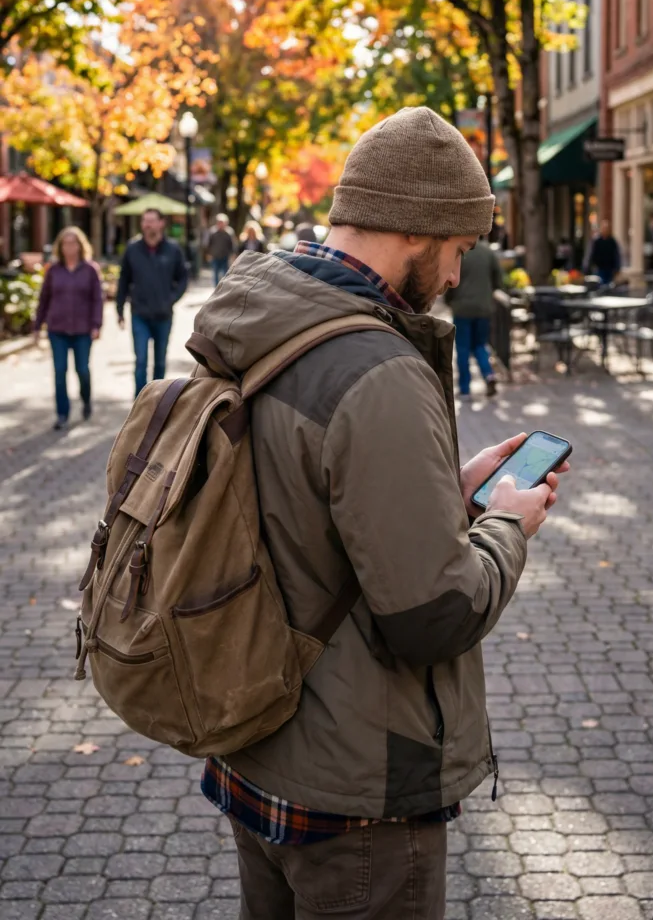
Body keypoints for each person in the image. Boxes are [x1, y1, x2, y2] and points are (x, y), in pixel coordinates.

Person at [195, 106, 568, 919]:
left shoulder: (265, 318)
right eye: (460, 250)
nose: (458, 278)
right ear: (418, 230)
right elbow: (432, 615)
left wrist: (449, 484)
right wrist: (508, 525)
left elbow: (310, 507)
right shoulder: (378, 368)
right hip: (355, 787)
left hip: (255, 745)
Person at [33, 227, 102, 430]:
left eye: (73, 243)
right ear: (60, 247)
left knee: (82, 370)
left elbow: (97, 300)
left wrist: (96, 325)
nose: (69, 247)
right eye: (65, 243)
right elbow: (44, 299)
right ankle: (62, 414)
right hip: (57, 329)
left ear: (81, 246)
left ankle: (86, 399)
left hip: (82, 330)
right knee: (60, 371)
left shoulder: (90, 270)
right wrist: (37, 326)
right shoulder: (53, 270)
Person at [116, 208, 187, 397]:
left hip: (163, 315)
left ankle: (157, 400)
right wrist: (119, 309)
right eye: (144, 221)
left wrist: (171, 299)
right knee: (140, 360)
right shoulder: (132, 249)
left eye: (151, 221)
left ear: (161, 223)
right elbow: (123, 281)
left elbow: (183, 278)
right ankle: (140, 401)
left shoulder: (173, 250)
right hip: (140, 314)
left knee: (160, 362)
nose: (147, 225)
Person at [444, 237, 503, 398]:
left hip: (462, 307)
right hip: (483, 307)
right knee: (480, 345)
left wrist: (449, 300)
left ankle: (465, 388)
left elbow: (450, 278)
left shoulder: (460, 252)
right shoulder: (489, 252)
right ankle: (488, 375)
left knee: (462, 348)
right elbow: (499, 280)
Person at [584, 218, 622, 286]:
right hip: (598, 268)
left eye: (607, 228)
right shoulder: (596, 241)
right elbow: (590, 254)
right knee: (599, 286)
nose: (605, 230)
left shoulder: (612, 241)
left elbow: (617, 255)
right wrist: (586, 266)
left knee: (608, 287)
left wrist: (617, 268)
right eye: (604, 228)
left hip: (609, 269)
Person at [206, 213, 236, 285]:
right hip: (215, 256)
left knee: (225, 273)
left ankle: (224, 287)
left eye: (222, 223)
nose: (220, 224)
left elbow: (232, 245)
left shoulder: (229, 232)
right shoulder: (212, 232)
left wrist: (233, 255)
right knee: (215, 273)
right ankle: (216, 288)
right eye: (219, 222)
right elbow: (209, 244)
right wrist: (208, 254)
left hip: (225, 256)